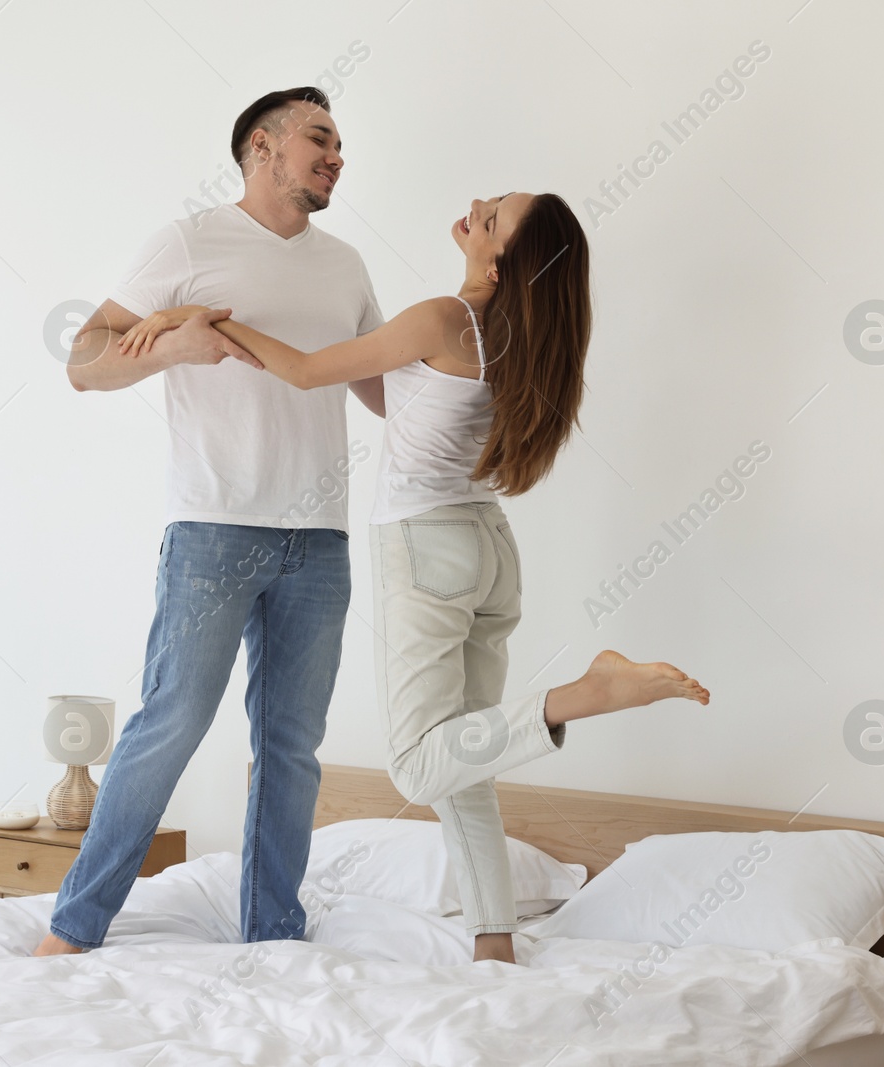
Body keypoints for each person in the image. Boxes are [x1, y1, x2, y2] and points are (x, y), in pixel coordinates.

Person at [118, 191, 711, 963]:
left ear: (499, 261)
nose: (478, 205)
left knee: (417, 759)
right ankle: (493, 938)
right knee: (466, 754)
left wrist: (195, 318)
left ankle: (584, 694)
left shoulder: (442, 320)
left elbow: (300, 372)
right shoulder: (523, 340)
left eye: (493, 216)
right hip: (490, 550)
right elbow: (384, 392)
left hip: (426, 548)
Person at [35, 87, 385, 956]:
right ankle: (75, 926)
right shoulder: (190, 241)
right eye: (320, 138)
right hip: (214, 528)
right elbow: (83, 363)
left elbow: (380, 389)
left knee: (293, 746)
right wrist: (176, 347)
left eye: (341, 142)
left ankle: (273, 929)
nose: (336, 154)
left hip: (321, 541)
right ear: (261, 148)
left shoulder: (344, 265)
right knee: (172, 721)